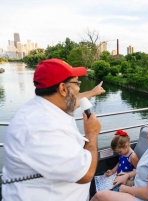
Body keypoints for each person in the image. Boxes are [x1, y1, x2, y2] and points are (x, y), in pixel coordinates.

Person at [2, 58, 105, 201]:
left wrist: (93, 92)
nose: (79, 88)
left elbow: (75, 101)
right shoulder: (41, 129)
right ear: (63, 89)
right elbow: (86, 174)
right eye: (77, 83)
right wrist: (92, 134)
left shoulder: (43, 107)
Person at [91, 115, 148, 201]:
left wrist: (124, 189)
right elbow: (142, 170)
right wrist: (127, 175)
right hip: (140, 189)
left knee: (100, 196)